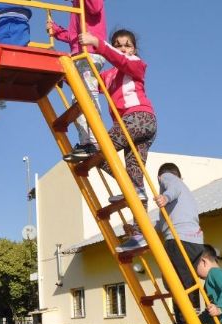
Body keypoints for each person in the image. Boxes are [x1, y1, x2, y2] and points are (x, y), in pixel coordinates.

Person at [74, 29, 157, 253]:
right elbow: (90, 82)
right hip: (132, 126)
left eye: (127, 45)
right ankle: (141, 233)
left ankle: (130, 185)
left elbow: (119, 59)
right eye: (118, 44)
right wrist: (66, 77)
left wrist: (97, 43)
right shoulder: (110, 75)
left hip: (139, 118)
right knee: (136, 179)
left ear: (134, 49)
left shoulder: (136, 64)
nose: (123, 48)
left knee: (96, 149)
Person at [153, 163, 205, 324]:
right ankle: (192, 318)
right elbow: (161, 224)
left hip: (178, 238)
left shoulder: (167, 178)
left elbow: (172, 188)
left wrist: (165, 197)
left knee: (173, 281)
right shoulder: (186, 193)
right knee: (187, 281)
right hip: (195, 241)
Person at [47, 0, 107, 154]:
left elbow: (95, 7)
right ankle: (86, 141)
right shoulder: (76, 7)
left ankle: (95, 139)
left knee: (89, 96)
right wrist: (56, 30)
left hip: (91, 54)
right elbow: (74, 36)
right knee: (78, 100)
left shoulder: (84, 4)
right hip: (79, 57)